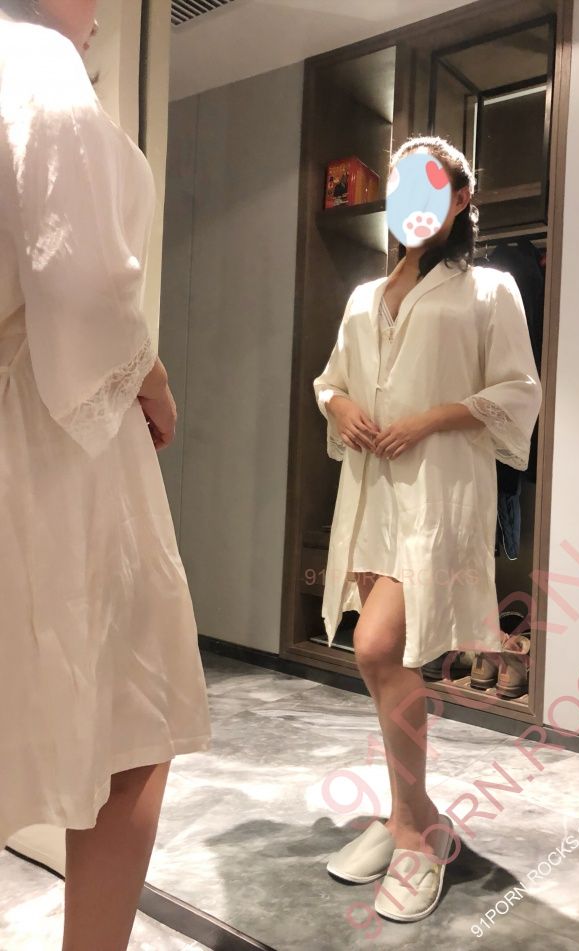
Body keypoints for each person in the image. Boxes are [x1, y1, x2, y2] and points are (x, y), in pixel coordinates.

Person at [0, 3, 212, 949]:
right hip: (50, 446)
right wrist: (150, 375)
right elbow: (83, 283)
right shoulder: (35, 59)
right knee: (132, 727)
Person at [314, 135, 542, 921]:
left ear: (460, 199)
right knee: (381, 662)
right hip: (371, 493)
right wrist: (342, 405)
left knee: (381, 647)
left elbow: (516, 392)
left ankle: (415, 833)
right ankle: (410, 815)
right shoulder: (363, 296)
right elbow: (331, 380)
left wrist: (430, 418)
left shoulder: (489, 290)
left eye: (431, 184)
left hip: (438, 494)